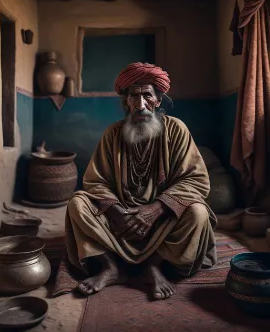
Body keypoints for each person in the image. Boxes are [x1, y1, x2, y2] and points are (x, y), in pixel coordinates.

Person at [65, 62, 217, 300]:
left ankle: (153, 265)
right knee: (78, 203)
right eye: (134, 96)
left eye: (147, 95)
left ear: (158, 99)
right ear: (126, 101)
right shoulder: (113, 134)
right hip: (122, 219)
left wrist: (155, 209)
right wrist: (115, 211)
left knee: (198, 213)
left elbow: (196, 180)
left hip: (163, 217)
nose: (141, 104)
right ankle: (110, 267)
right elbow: (95, 181)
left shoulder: (176, 130)